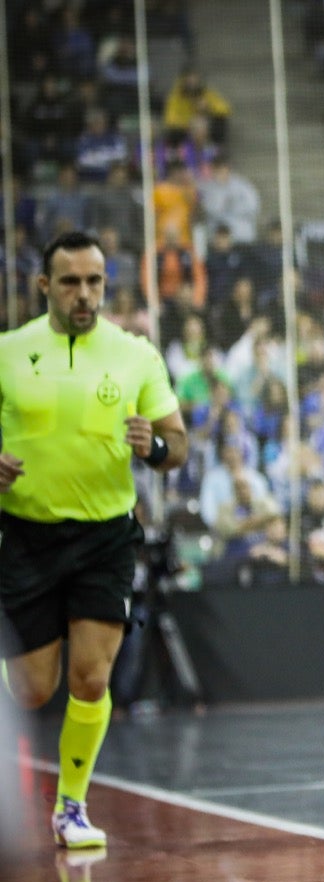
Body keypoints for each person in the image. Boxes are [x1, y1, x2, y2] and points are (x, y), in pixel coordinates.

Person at [0, 232, 189, 848]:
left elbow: (176, 445)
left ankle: (70, 808)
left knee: (90, 679)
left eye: (95, 282)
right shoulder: (9, 351)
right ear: (45, 286)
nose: (85, 294)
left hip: (106, 538)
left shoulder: (135, 354)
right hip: (25, 536)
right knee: (33, 688)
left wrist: (153, 447)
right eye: (71, 282)